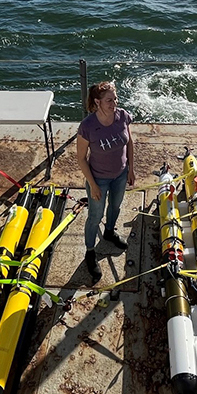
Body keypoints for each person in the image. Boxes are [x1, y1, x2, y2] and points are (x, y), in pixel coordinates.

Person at [76, 81, 135, 280]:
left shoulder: (123, 116)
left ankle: (109, 232)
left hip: (120, 174)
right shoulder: (87, 126)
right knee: (95, 216)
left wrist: (130, 169)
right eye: (109, 100)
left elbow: (130, 143)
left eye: (115, 98)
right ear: (97, 102)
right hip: (98, 179)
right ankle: (90, 251)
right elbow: (81, 158)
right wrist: (93, 185)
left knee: (116, 207)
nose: (114, 103)